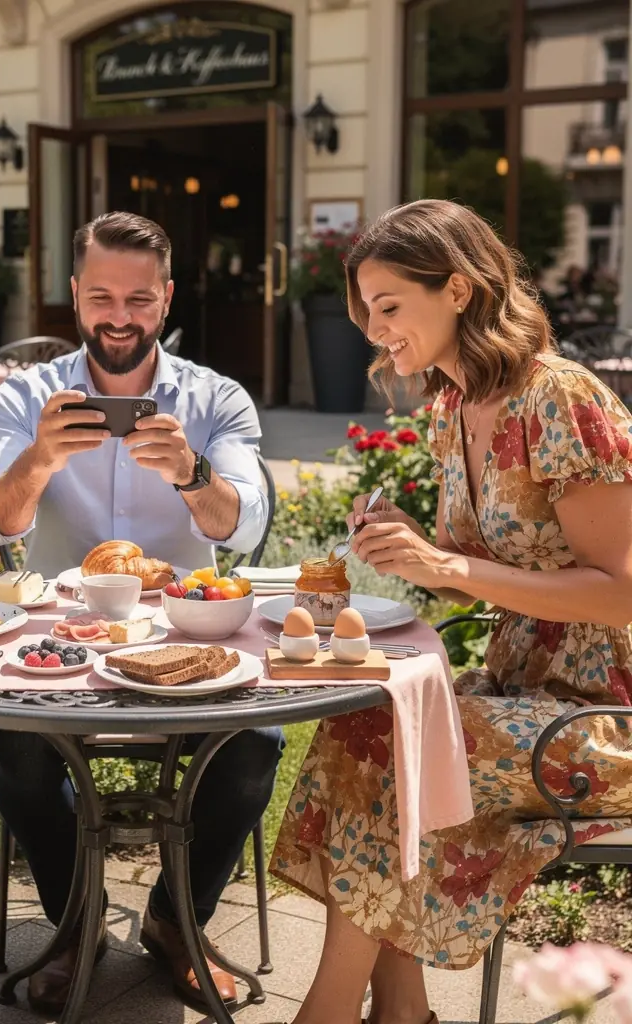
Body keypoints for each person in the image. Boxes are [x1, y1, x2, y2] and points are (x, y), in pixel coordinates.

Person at [270, 198, 632, 1024]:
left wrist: (449, 563)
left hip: (603, 710)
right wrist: (414, 551)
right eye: (366, 311)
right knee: (367, 719)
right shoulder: (453, 407)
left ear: (460, 290)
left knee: (395, 748)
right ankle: (403, 1011)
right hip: (520, 684)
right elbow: (479, 574)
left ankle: (326, 1015)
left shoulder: (559, 399)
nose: (374, 330)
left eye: (389, 307)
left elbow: (621, 589)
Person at [0, 211, 284, 1012]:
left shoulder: (216, 398)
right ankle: (77, 919)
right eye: (101, 296)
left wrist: (191, 471)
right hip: (57, 650)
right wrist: (39, 460)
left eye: (139, 299)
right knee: (14, 740)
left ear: (167, 298)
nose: (118, 317)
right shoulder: (29, 394)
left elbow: (244, 522)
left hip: (187, 644)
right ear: (74, 295)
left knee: (254, 742)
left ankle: (177, 923)